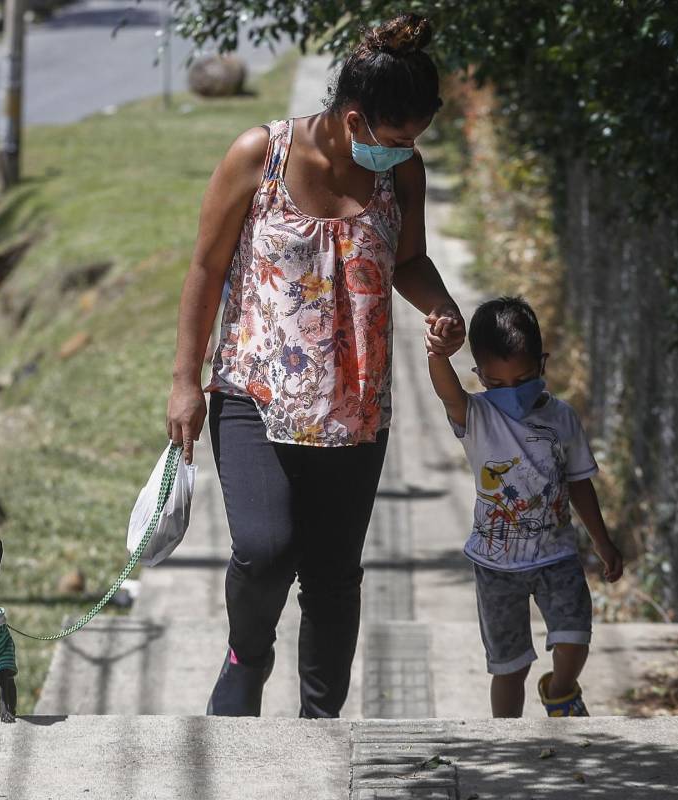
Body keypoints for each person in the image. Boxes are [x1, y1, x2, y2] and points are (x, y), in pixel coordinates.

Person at [165, 14, 465, 719]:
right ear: (355, 117)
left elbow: (409, 260)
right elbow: (206, 269)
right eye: (396, 139)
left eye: (415, 140)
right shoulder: (258, 156)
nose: (406, 152)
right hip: (255, 392)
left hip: (356, 404)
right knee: (267, 549)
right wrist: (185, 382)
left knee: (333, 578)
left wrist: (440, 305)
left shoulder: (403, 176)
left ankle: (322, 724)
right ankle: (247, 654)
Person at [425, 297, 624, 717]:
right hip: (495, 565)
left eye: (525, 378)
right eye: (496, 383)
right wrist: (438, 355)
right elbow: (446, 392)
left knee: (574, 636)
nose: (511, 392)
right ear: (479, 376)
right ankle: (507, 739)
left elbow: (580, 484)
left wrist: (602, 542)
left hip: (557, 554)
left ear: (543, 364)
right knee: (509, 666)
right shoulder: (476, 415)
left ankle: (560, 689)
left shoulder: (562, 418)